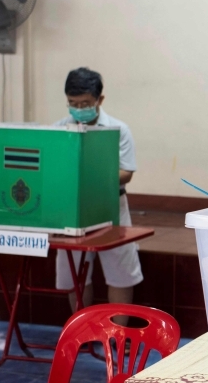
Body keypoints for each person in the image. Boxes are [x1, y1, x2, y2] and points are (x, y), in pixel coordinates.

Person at [54, 67, 143, 311]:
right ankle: (81, 332)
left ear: (99, 100)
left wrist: (90, 176)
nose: (79, 109)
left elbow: (127, 173)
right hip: (72, 208)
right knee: (74, 273)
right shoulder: (59, 129)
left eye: (85, 103)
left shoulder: (118, 129)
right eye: (73, 103)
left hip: (111, 206)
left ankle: (118, 337)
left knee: (120, 271)